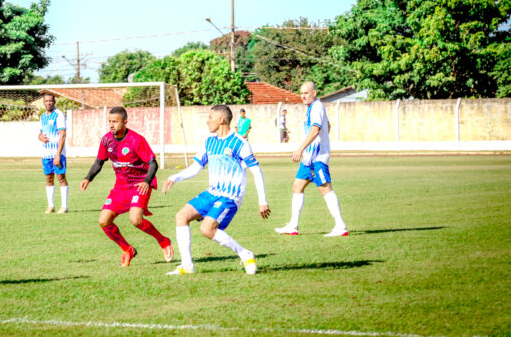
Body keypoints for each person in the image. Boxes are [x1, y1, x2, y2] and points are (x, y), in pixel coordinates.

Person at [163, 105, 271, 275]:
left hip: (230, 196)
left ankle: (245, 254)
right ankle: (187, 266)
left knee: (207, 229)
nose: (207, 121)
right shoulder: (209, 142)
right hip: (211, 193)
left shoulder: (240, 143)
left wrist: (262, 201)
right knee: (181, 216)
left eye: (210, 117)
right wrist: (175, 177)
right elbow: (196, 167)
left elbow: (256, 171)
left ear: (221, 119)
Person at [80, 107, 173, 267]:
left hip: (139, 184)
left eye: (115, 121)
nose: (111, 125)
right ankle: (127, 249)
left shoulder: (136, 140)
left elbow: (153, 163)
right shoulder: (106, 140)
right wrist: (88, 178)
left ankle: (163, 241)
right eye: (109, 121)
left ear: (124, 122)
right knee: (103, 221)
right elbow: (99, 161)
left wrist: (147, 181)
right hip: (121, 187)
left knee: (135, 219)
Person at [275, 81, 347, 237]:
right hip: (309, 159)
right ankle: (293, 225)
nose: (303, 96)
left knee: (325, 189)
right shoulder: (312, 108)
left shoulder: (316, 107)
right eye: (301, 93)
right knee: (297, 186)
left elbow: (316, 129)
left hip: (317, 158)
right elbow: (327, 126)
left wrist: (301, 149)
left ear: (314, 93)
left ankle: (340, 226)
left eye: (306, 93)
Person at [38, 93, 69, 213]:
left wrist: (58, 155)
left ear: (54, 102)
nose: (48, 103)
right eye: (46, 101)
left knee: (61, 177)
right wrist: (40, 138)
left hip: (57, 153)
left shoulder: (59, 114)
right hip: (46, 154)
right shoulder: (42, 117)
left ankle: (64, 206)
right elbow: (39, 134)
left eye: (50, 101)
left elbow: (63, 135)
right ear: (43, 102)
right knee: (48, 179)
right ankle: (51, 206)